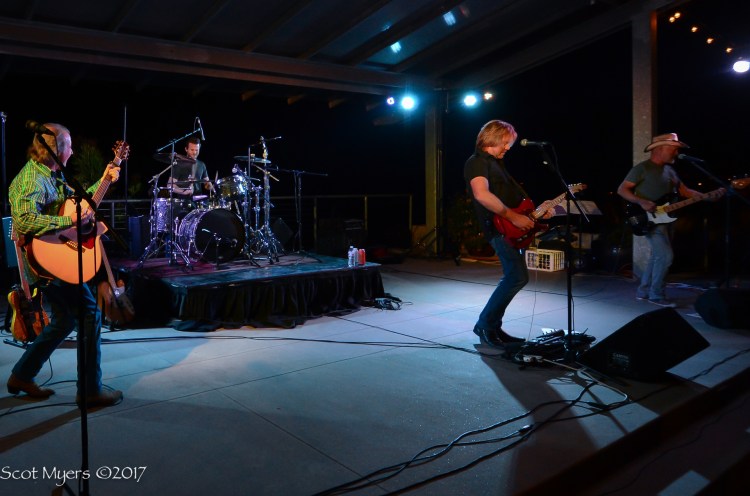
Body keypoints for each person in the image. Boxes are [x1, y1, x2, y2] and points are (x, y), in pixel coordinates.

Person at [6, 123, 123, 407]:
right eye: (69, 146)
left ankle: (22, 375)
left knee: (64, 320)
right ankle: (90, 391)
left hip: (55, 259)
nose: (72, 151)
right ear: (56, 150)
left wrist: (105, 179)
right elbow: (24, 220)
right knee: (90, 314)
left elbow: (79, 205)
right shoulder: (32, 178)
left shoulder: (53, 175)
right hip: (45, 264)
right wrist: (66, 221)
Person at [464, 120, 554, 347]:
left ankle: (492, 326)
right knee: (516, 277)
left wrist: (536, 214)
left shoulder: (496, 164)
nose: (507, 148)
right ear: (492, 138)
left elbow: (511, 200)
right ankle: (485, 325)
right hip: (499, 229)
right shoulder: (476, 162)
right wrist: (513, 218)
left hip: (509, 228)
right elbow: (482, 195)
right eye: (505, 143)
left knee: (516, 277)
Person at [617, 133, 724, 307]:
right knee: (666, 256)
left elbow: (686, 192)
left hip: (667, 219)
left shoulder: (670, 171)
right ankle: (656, 295)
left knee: (657, 257)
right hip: (648, 219)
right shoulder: (642, 168)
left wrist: (708, 196)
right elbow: (622, 190)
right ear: (660, 149)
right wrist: (641, 201)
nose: (677, 153)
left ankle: (644, 291)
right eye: (673, 149)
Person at [167, 137, 214, 202]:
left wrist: (211, 186)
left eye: (197, 150)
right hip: (184, 202)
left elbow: (207, 183)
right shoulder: (179, 164)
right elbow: (170, 185)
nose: (194, 152)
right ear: (186, 149)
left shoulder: (201, 164)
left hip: (199, 202)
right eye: (192, 150)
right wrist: (184, 192)